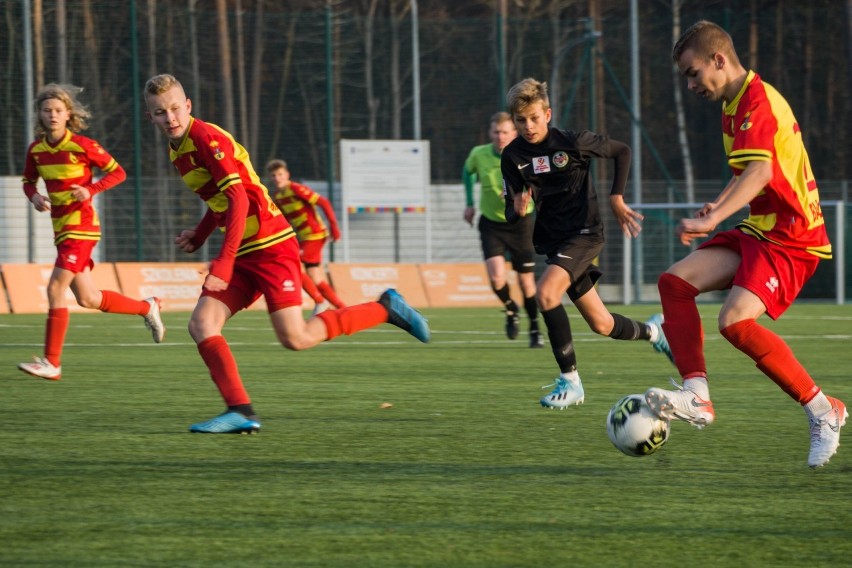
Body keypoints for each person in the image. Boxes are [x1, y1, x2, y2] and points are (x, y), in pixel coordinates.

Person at [143, 73, 430, 434]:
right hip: (243, 250)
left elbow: (238, 197)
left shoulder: (205, 138)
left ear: (188, 106)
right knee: (201, 324)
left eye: (173, 109)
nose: (169, 118)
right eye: (159, 113)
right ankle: (240, 411)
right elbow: (219, 199)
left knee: (296, 338)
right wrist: (200, 236)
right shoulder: (178, 148)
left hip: (270, 245)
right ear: (150, 117)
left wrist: (224, 260)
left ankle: (385, 308)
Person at [642, 21, 845, 468]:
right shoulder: (734, 107)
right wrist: (719, 202)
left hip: (793, 238)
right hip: (762, 229)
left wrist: (714, 216)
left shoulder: (757, 101)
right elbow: (747, 172)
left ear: (719, 59)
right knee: (674, 283)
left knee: (734, 322)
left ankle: (822, 410)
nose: (691, 84)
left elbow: (761, 173)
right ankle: (697, 396)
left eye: (693, 73)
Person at [500, 77, 672, 409]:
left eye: (534, 118)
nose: (528, 126)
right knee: (602, 323)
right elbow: (511, 210)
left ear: (547, 114)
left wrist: (616, 198)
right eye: (521, 120)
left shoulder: (572, 142)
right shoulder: (513, 157)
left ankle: (571, 382)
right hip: (553, 242)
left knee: (546, 293)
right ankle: (654, 332)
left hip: (584, 234)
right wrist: (516, 209)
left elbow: (622, 151)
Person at [18, 83, 165, 382]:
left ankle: (52, 362)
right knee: (88, 298)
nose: (53, 115)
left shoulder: (82, 145)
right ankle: (146, 307)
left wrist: (90, 189)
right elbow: (28, 182)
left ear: (68, 114)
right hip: (62, 230)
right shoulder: (37, 151)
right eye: (47, 110)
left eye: (58, 110)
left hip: (82, 228)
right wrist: (33, 197)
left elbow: (118, 172)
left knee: (55, 289)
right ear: (40, 115)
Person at [463, 112, 542, 347]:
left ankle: (535, 328)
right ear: (490, 133)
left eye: (505, 132)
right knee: (497, 277)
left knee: (526, 283)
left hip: (521, 223)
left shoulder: (527, 153)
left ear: (514, 133)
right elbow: (467, 172)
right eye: (496, 132)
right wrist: (468, 203)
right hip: (491, 223)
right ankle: (511, 308)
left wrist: (524, 191)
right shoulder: (479, 154)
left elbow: (540, 180)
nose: (500, 137)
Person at [266, 159, 345, 315]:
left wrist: (334, 227)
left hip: (315, 235)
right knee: (315, 278)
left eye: (280, 174)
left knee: (293, 265)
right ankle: (343, 309)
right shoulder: (278, 196)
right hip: (305, 238)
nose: (277, 178)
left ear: (287, 174)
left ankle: (320, 302)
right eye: (274, 175)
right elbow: (283, 221)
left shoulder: (296, 189)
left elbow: (324, 202)